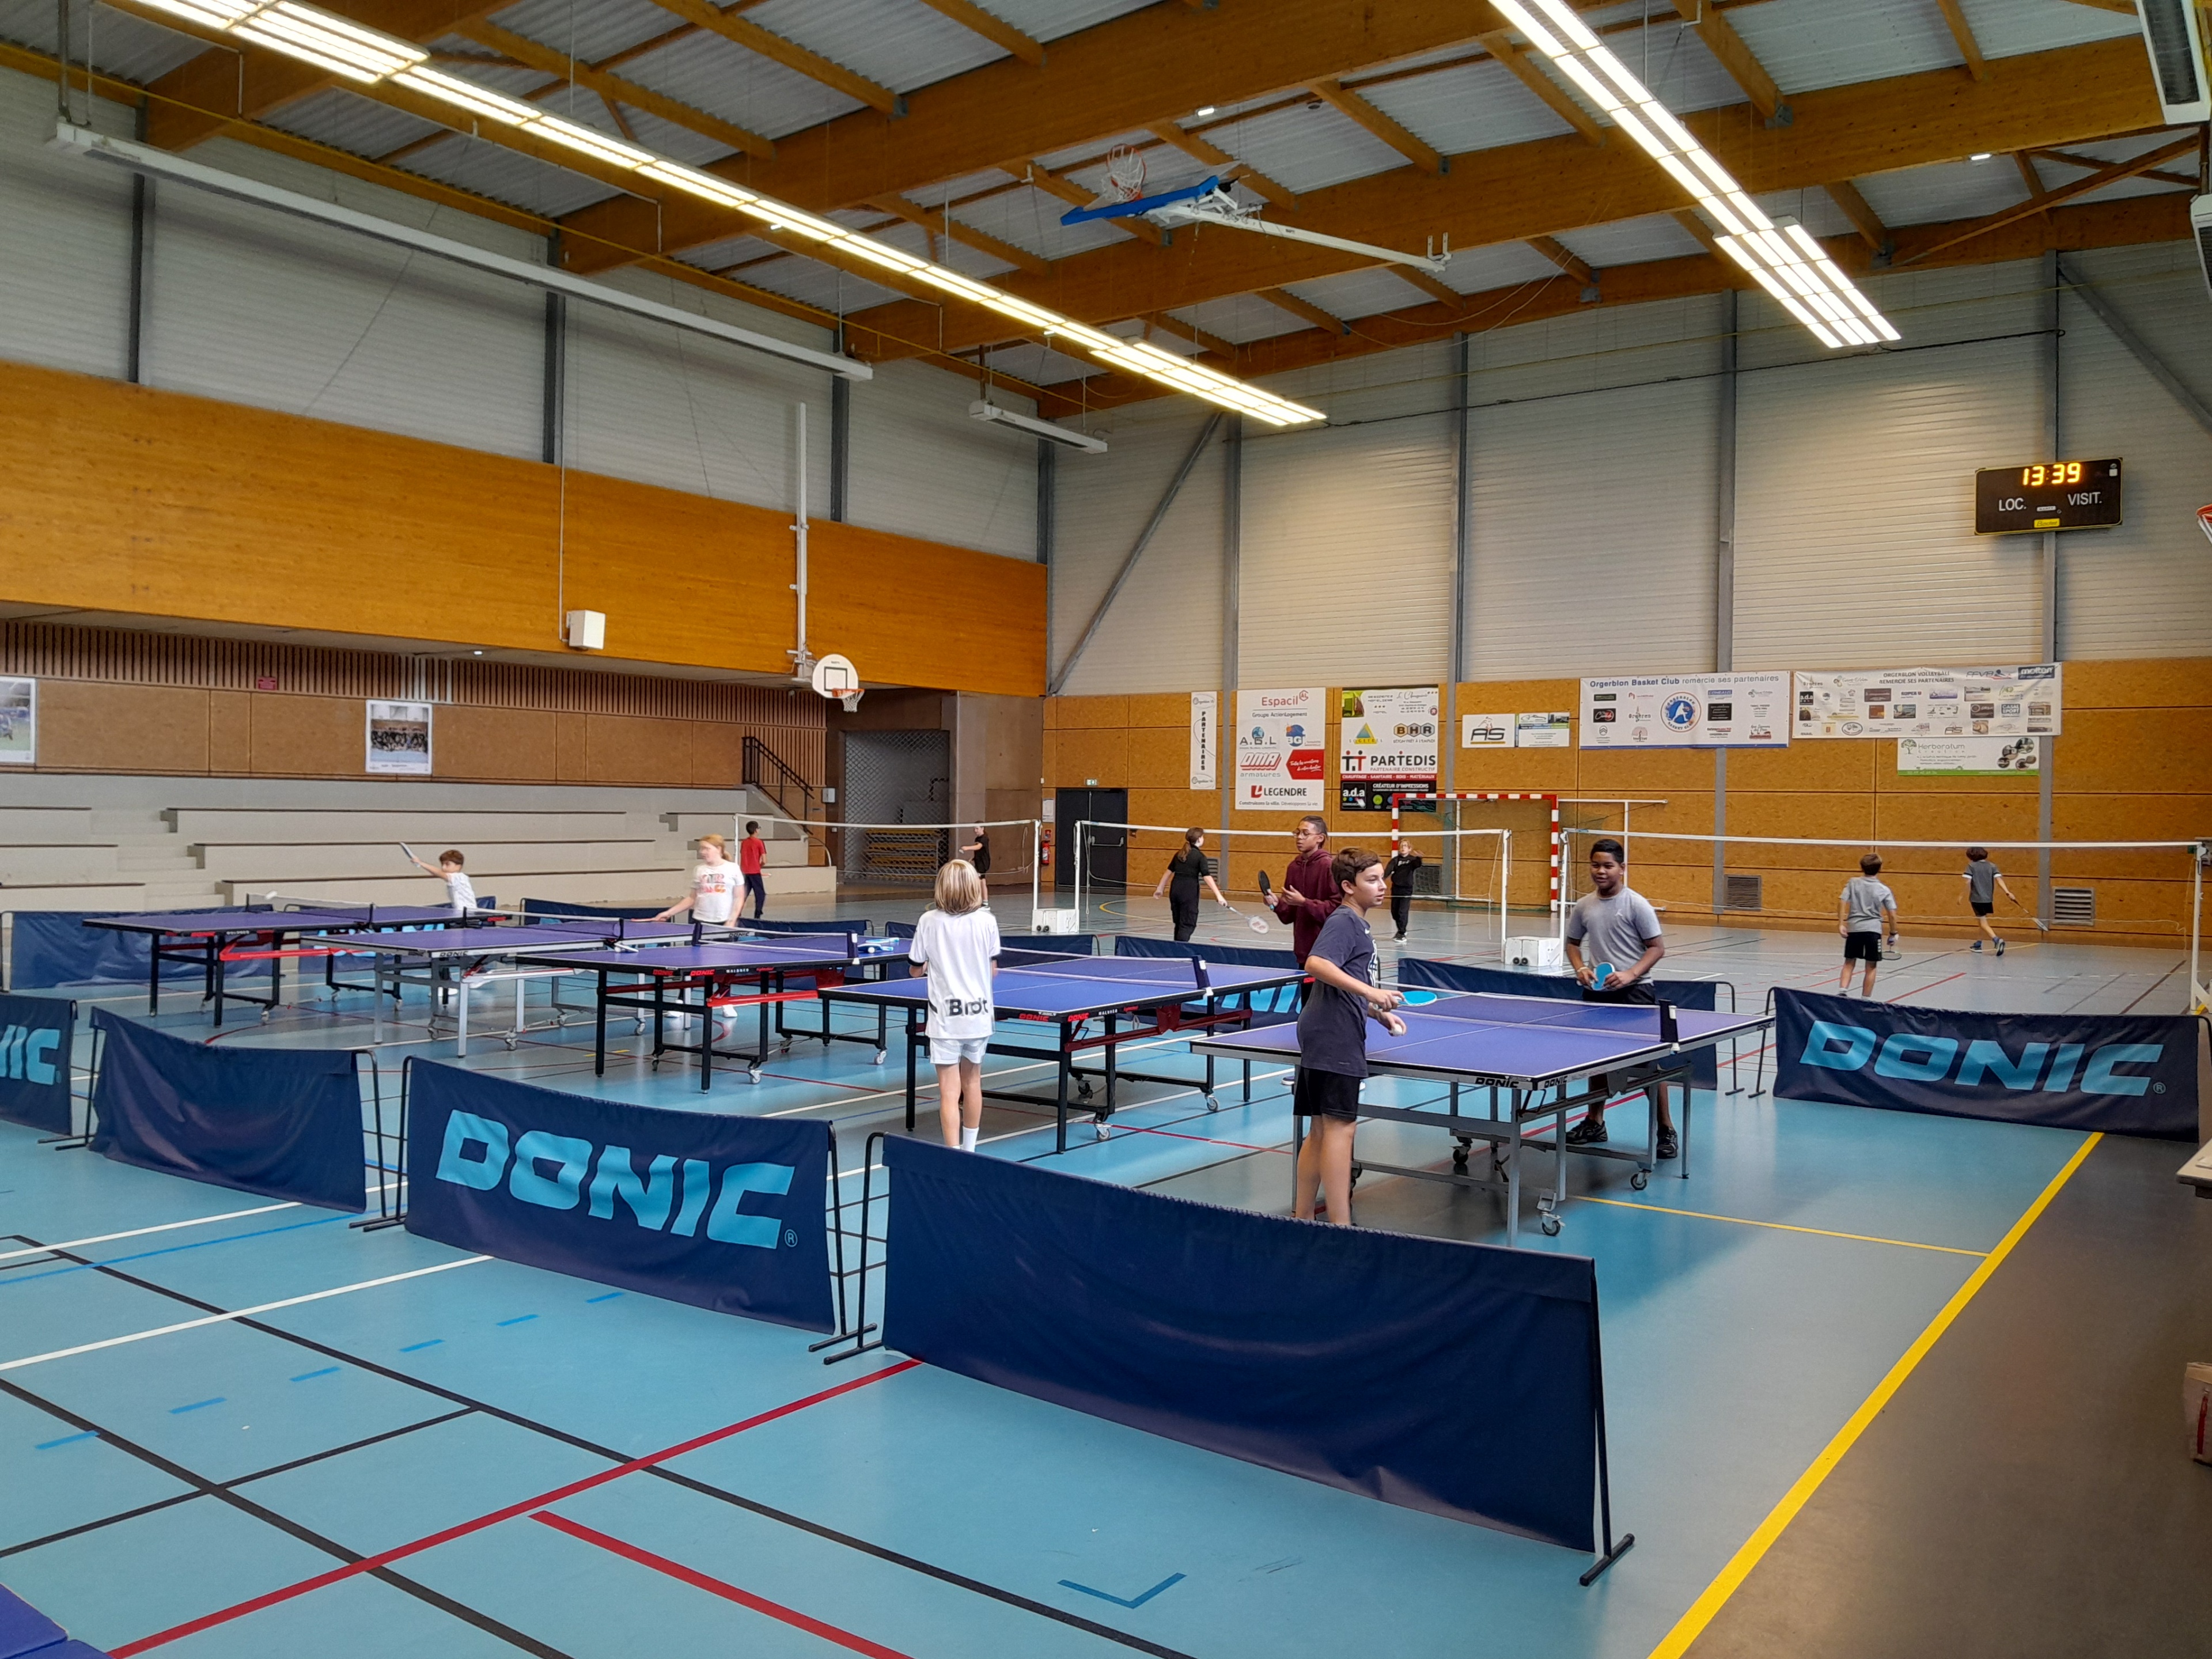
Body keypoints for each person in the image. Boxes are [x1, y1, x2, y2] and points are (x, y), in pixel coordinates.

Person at [1292, 848, 1408, 1225]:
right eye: (1371, 880)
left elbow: (1345, 983)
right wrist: (1372, 993)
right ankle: (1340, 1227)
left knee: (1321, 1130)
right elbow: (1316, 964)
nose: (1382, 886)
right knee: (1341, 1129)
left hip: (1323, 1027)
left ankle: (1303, 1217)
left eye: (1382, 878)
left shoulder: (1357, 923)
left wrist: (1376, 1013)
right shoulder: (1345, 921)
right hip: (1334, 1033)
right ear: (1347, 886)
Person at [1562, 838, 1677, 1159]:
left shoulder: (1637, 904)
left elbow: (1657, 948)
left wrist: (1631, 974)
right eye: (1596, 865)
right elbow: (1572, 943)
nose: (1601, 871)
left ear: (1622, 869)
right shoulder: (1584, 906)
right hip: (1597, 992)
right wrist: (1580, 967)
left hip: (1636, 993)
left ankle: (1666, 1129)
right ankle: (1595, 1122)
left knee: (1647, 1064)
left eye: (1608, 866)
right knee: (1597, 1060)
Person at [910, 858, 1000, 1150]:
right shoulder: (987, 920)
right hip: (978, 1015)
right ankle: (970, 1150)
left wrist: (927, 967)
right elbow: (993, 969)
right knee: (972, 1082)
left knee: (949, 1092)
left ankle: (953, 1155)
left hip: (946, 1019)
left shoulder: (928, 921)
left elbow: (915, 969)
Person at [1271, 815, 1340, 964]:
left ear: (1320, 838)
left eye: (1305, 833)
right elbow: (1289, 916)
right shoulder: (1293, 867)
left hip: (1328, 953)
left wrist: (1304, 902)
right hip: (1303, 953)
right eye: (1297, 833)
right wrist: (1276, 904)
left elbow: (1338, 910)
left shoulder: (1329, 867)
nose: (1299, 837)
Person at [1839, 853, 1899, 995]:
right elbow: (1892, 914)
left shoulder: (1853, 883)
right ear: (1880, 869)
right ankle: (1865, 999)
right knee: (1871, 966)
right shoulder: (1884, 889)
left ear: (1862, 868)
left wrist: (1841, 923)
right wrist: (1893, 933)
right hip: (1873, 931)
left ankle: (1842, 991)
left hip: (1854, 929)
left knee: (1849, 962)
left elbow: (1842, 901)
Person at [1153, 827, 1227, 942]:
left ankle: (1177, 947)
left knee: (1179, 923)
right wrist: (1219, 896)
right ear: (1199, 839)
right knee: (1187, 924)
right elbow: (1207, 877)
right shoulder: (1200, 857)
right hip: (1188, 892)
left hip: (1175, 890)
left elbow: (1168, 872)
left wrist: (1160, 888)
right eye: (1203, 837)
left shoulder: (1179, 854)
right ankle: (1180, 950)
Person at [654, 833, 741, 927]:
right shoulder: (699, 870)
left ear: (719, 849)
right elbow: (692, 898)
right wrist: (668, 913)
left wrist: (732, 921)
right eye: (701, 849)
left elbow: (739, 898)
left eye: (706, 849)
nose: (702, 852)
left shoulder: (733, 868)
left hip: (724, 921)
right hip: (699, 920)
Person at [1961, 845, 2017, 955]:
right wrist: (2008, 892)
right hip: (1988, 899)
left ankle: (1997, 940)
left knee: (1983, 923)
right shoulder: (1992, 866)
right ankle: (1978, 944)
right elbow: (1999, 880)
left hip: (1977, 899)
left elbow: (1967, 882)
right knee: (1982, 921)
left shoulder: (1971, 866)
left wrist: (1961, 896)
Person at [409, 847, 476, 916]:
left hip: (468, 914)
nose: (443, 868)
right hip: (461, 913)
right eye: (442, 864)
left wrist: (421, 863)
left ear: (458, 866)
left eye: (447, 864)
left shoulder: (460, 877)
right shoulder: (455, 879)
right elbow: (436, 873)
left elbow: (438, 873)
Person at [1383, 847, 1424, 941]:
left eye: (1405, 846)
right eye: (1401, 846)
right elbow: (1388, 870)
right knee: (1395, 912)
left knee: (1402, 912)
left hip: (1406, 889)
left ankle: (1402, 934)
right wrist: (1382, 879)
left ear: (1409, 849)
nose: (1403, 848)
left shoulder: (1412, 860)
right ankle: (1401, 930)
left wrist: (1419, 858)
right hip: (1396, 889)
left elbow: (1417, 865)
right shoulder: (1396, 860)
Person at [738, 820, 768, 920]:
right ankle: (757, 915)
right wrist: (759, 866)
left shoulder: (744, 842)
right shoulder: (759, 842)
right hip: (755, 872)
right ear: (756, 830)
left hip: (745, 872)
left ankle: (737, 912)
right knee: (760, 894)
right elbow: (764, 860)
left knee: (744, 893)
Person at [960, 827, 992, 900]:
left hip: (983, 862)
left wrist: (967, 848)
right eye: (974, 829)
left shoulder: (984, 838)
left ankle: (977, 900)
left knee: (979, 881)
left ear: (982, 828)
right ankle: (984, 901)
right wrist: (974, 858)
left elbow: (979, 847)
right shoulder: (977, 839)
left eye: (977, 829)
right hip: (978, 861)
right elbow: (979, 851)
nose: (975, 831)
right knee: (982, 881)